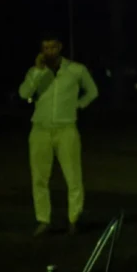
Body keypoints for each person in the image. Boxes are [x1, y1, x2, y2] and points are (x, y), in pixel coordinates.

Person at [18, 32, 99, 236]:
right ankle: (43, 220)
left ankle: (74, 219)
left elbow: (92, 91)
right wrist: (38, 72)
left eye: (53, 47)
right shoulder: (35, 71)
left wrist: (78, 105)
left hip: (66, 129)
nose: (49, 52)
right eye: (46, 48)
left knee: (73, 176)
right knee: (39, 178)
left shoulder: (75, 69)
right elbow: (24, 93)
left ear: (60, 47)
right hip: (40, 129)